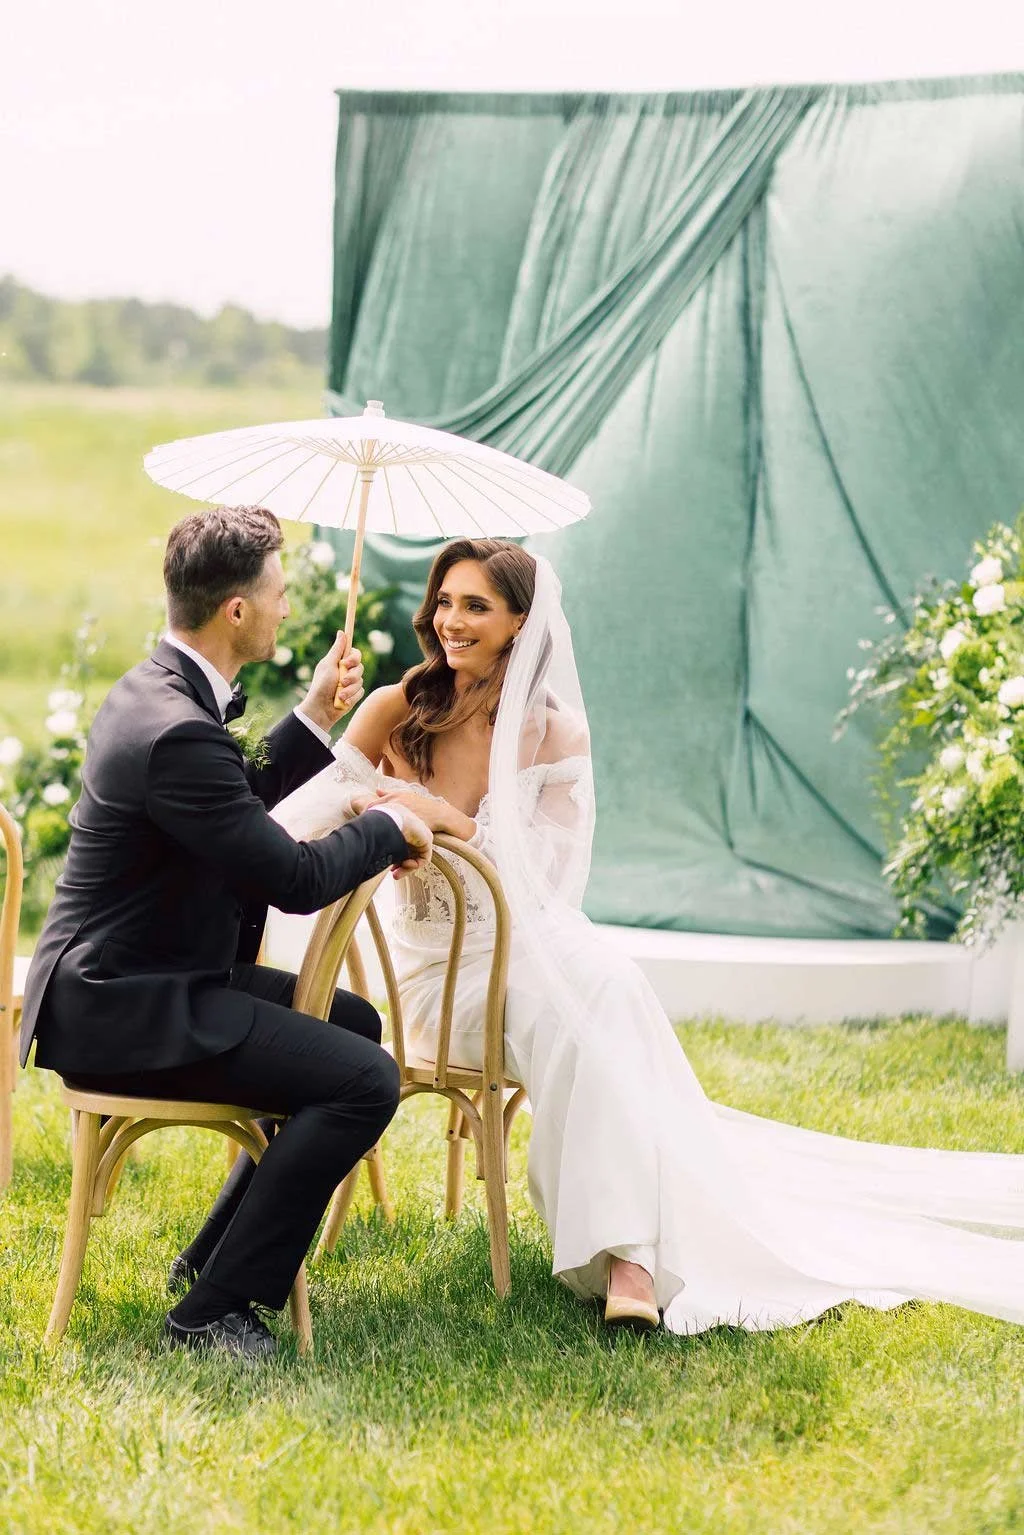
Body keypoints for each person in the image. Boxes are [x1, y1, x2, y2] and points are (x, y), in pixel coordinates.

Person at [273, 536, 1024, 1335]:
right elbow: (299, 819)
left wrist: (444, 820)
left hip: (531, 946)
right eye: (445, 601)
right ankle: (625, 1251)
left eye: (476, 606)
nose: (450, 620)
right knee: (575, 1013)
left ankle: (628, 1255)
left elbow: (545, 884)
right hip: (439, 976)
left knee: (607, 983)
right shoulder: (394, 707)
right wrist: (363, 791)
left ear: (521, 623)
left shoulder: (555, 736)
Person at [20, 505, 434, 1360]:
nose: (287, 607)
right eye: (279, 592)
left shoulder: (158, 691)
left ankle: (213, 1256)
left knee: (350, 1025)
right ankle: (213, 1308)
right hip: (120, 1006)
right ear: (236, 611)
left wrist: (315, 713)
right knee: (365, 1079)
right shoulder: (174, 729)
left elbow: (230, 802)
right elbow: (291, 877)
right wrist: (391, 827)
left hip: (144, 975)